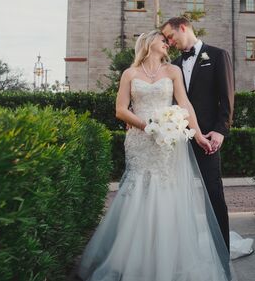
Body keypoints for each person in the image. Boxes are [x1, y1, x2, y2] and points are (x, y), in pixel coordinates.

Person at [78, 30, 231, 281]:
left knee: (166, 191)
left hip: (167, 142)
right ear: (150, 43)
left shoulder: (173, 71)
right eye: (163, 40)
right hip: (140, 141)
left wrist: (198, 135)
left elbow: (185, 105)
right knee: (139, 190)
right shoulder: (130, 74)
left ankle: (169, 257)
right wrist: (147, 126)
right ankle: (135, 258)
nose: (167, 43)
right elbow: (120, 110)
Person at [160, 16, 234, 251]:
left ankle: (221, 249)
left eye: (170, 36)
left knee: (213, 193)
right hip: (179, 138)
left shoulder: (217, 55)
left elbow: (227, 97)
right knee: (180, 195)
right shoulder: (174, 65)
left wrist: (221, 130)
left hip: (208, 138)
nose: (169, 42)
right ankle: (185, 249)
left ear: (183, 28)